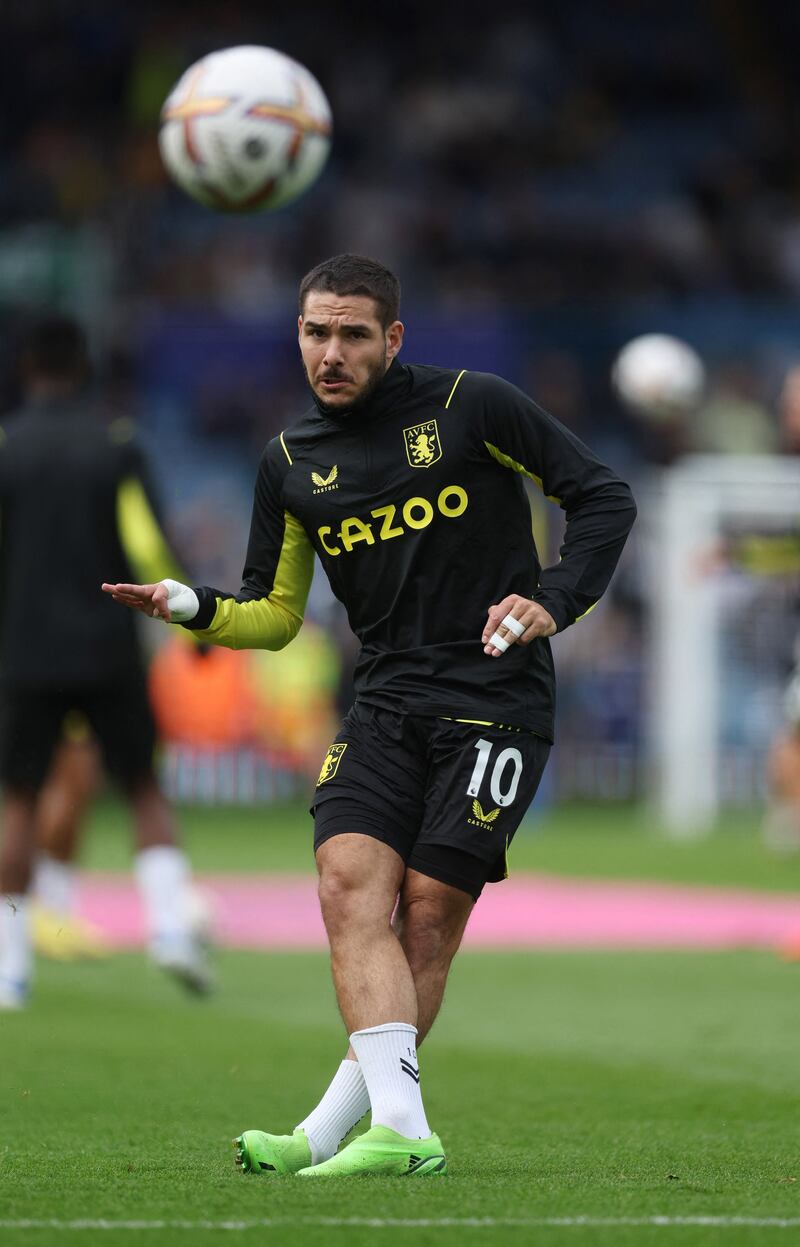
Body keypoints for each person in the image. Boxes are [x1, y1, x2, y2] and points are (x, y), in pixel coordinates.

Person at [104, 254, 636, 1176]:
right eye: (317, 332)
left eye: (354, 334)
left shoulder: (474, 405)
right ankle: (399, 1127)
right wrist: (189, 606)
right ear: (298, 336)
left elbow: (604, 496)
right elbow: (271, 612)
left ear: (393, 339)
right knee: (348, 881)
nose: (332, 353)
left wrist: (554, 597)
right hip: (385, 699)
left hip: (495, 700)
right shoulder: (288, 463)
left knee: (426, 916)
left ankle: (333, 1131)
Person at [0, 315, 211, 1009]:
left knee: (19, 799)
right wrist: (196, 621)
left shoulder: (7, 448)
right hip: (108, 646)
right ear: (86, 371)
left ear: (28, 369)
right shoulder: (116, 446)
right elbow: (151, 542)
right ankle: (172, 930)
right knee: (144, 787)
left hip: (24, 652)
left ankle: (10, 970)